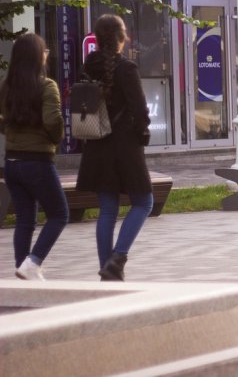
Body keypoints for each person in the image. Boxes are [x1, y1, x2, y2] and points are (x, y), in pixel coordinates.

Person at [76, 14, 153, 280]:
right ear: (122, 37)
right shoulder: (126, 68)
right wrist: (142, 133)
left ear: (98, 39)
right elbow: (140, 110)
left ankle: (106, 268)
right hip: (125, 146)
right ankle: (117, 258)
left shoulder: (88, 67)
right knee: (144, 202)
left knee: (107, 209)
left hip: (96, 144)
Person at [0, 34, 67, 281]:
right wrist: (56, 138)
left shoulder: (6, 87)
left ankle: (23, 269)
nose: (46, 54)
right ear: (37, 56)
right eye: (44, 50)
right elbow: (53, 121)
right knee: (59, 214)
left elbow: (3, 122)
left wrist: (12, 131)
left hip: (12, 163)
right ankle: (34, 261)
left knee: (25, 219)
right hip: (37, 161)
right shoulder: (47, 86)